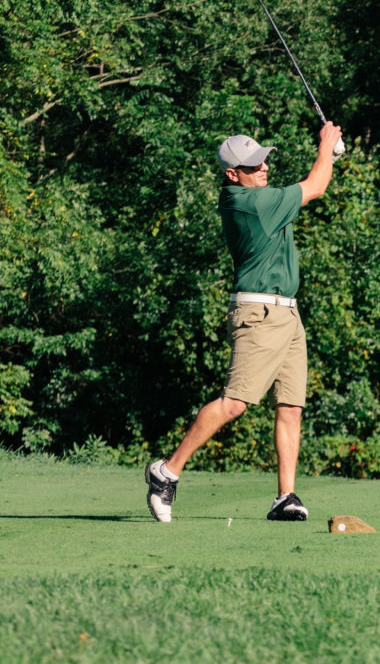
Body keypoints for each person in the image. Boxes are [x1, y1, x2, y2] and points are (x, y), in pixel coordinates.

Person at [145, 121, 342, 522]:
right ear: (233, 174)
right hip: (260, 314)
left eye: (264, 160)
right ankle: (166, 472)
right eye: (253, 166)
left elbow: (317, 178)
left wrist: (329, 155)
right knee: (234, 403)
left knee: (290, 407)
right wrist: (327, 145)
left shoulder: (260, 196)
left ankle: (285, 497)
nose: (263, 168)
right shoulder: (250, 204)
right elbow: (317, 185)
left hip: (288, 312)